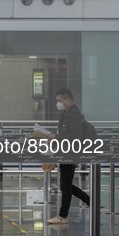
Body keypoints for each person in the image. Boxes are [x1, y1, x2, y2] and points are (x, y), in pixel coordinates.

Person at [46, 88, 90, 224]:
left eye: (59, 101)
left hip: (71, 153)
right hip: (64, 152)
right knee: (65, 185)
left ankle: (63, 216)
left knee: (65, 186)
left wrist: (57, 136)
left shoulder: (74, 115)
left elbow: (75, 136)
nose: (58, 104)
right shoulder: (65, 114)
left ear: (67, 100)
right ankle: (91, 201)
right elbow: (63, 132)